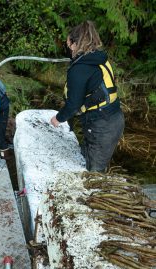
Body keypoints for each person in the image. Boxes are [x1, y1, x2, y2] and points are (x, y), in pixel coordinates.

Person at [50, 21, 124, 172]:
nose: (67, 47)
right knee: (88, 158)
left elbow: (74, 104)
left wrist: (58, 118)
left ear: (74, 43)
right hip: (113, 117)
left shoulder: (81, 68)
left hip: (101, 125)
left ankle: (98, 194)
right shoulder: (99, 59)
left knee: (94, 172)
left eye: (68, 43)